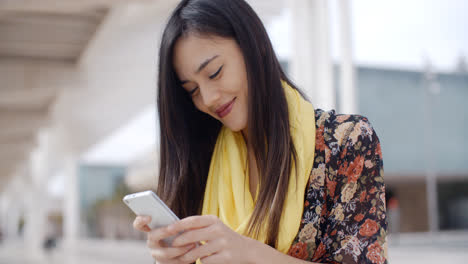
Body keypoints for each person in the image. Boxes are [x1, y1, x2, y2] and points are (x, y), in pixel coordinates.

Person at [133, 0, 388, 263]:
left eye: (214, 72)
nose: (207, 98)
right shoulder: (200, 160)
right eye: (192, 91)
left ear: (255, 47)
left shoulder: (347, 141)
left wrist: (249, 253)